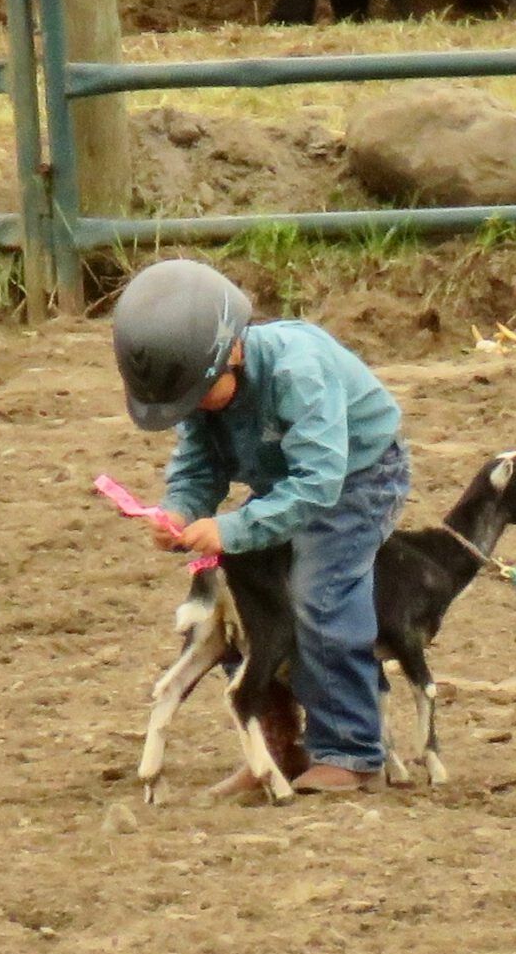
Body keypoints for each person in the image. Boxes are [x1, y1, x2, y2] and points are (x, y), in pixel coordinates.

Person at [112, 257, 410, 795]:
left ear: (235, 350)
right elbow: (199, 465)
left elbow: (320, 483)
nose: (196, 410)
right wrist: (179, 508)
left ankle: (354, 750)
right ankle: (276, 746)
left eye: (200, 396)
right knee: (242, 594)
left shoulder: (299, 372)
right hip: (283, 484)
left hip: (357, 477)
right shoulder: (204, 390)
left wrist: (233, 528)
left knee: (321, 590)